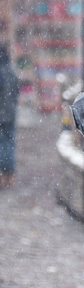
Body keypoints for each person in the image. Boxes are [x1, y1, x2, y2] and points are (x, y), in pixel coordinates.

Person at [0, 45, 17, 188]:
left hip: (1, 115)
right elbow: (16, 92)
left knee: (2, 144)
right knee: (9, 144)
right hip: (10, 114)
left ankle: (2, 175)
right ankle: (9, 175)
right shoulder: (11, 72)